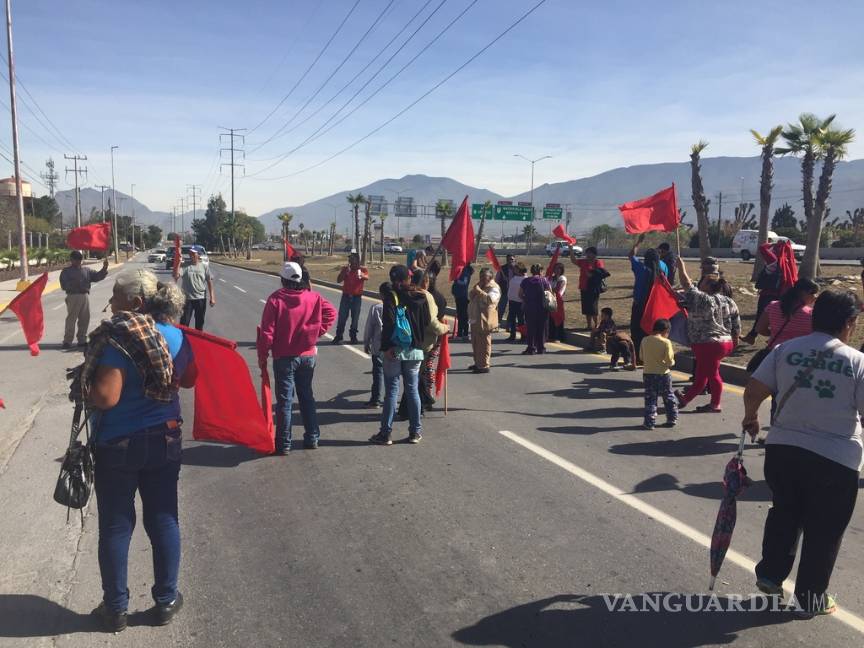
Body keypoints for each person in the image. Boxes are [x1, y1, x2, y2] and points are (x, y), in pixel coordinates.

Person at [84, 270, 196, 632]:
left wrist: (84, 389)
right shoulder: (176, 336)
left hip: (119, 445)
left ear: (136, 302)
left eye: (116, 295)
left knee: (117, 526)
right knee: (163, 518)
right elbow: (191, 378)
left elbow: (106, 397)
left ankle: (115, 609)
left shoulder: (117, 339)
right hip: (165, 439)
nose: (111, 301)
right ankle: (166, 601)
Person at [742, 289, 863, 618]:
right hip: (835, 458)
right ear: (850, 323)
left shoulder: (784, 350)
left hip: (782, 451)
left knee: (785, 511)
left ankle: (770, 574)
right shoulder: (856, 362)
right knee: (824, 530)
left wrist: (750, 417)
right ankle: (811, 597)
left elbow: (754, 389)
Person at [258, 262, 336, 454]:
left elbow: (267, 333)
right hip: (307, 356)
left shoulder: (275, 300)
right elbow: (331, 313)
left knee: (285, 401)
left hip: (284, 357)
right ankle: (312, 437)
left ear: (282, 279)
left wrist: (262, 356)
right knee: (306, 396)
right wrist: (316, 332)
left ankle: (284, 443)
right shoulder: (313, 297)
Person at [370, 264, 430, 445]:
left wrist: (386, 347)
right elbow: (426, 322)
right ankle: (415, 432)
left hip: (394, 350)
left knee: (391, 393)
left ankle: (385, 434)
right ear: (408, 278)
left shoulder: (391, 297)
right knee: (412, 390)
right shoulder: (421, 297)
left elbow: (387, 325)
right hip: (415, 351)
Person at [674, 257, 741, 413]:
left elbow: (686, 284)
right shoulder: (728, 300)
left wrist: (681, 267)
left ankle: (715, 404)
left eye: (702, 283)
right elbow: (736, 323)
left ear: (707, 286)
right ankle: (685, 399)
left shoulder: (702, 298)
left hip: (707, 344)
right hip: (725, 342)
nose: (699, 284)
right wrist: (735, 341)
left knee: (712, 374)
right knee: (702, 374)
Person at [742, 240, 797, 344]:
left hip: (768, 294)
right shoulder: (789, 262)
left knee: (762, 316)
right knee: (777, 318)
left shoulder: (774, 261)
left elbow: (762, 248)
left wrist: (772, 244)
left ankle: (758, 336)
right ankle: (753, 336)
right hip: (782, 294)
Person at [628, 234, 669, 361]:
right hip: (655, 306)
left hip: (639, 304)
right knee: (651, 332)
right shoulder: (663, 268)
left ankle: (638, 358)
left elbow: (631, 256)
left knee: (636, 332)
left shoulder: (641, 268)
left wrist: (638, 242)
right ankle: (650, 357)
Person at [59, 250, 109, 349]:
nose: (78, 262)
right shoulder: (66, 272)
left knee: (84, 319)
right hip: (73, 296)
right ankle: (67, 341)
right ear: (71, 260)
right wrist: (76, 284)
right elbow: (64, 285)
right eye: (76, 259)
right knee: (71, 319)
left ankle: (82, 340)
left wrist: (104, 268)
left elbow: (97, 276)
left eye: (80, 259)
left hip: (84, 296)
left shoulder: (86, 270)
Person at [640, 318, 678, 429]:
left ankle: (649, 422)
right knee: (668, 396)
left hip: (648, 373)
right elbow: (669, 361)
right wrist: (672, 362)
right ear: (665, 330)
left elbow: (641, 357)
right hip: (663, 373)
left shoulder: (644, 340)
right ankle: (671, 418)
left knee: (650, 398)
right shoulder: (666, 342)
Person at [468, 268, 501, 374]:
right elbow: (471, 297)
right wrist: (474, 291)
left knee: (484, 342)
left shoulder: (494, 287)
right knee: (476, 342)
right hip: (476, 317)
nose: (482, 278)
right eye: (481, 275)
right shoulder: (481, 285)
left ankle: (484, 365)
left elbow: (491, 300)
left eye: (484, 276)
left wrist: (480, 292)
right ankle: (478, 362)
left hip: (485, 318)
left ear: (490, 277)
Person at [175, 249, 215, 331]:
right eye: (190, 254)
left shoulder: (204, 267)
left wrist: (212, 297)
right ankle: (183, 340)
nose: (191, 255)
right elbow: (176, 275)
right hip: (187, 299)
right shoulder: (185, 266)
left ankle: (197, 341)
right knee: (184, 323)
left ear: (198, 255)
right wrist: (178, 262)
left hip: (200, 298)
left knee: (199, 323)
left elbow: (209, 282)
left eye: (193, 254)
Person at [362, 283, 388, 408]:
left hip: (378, 345)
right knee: (392, 375)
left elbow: (369, 328)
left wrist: (366, 342)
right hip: (393, 346)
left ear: (381, 294)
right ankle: (389, 398)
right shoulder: (399, 307)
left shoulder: (377, 308)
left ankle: (375, 399)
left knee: (378, 372)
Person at [333, 253, 368, 344]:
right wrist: (345, 273)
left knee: (355, 318)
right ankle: (339, 336)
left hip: (357, 297)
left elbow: (366, 277)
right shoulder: (345, 269)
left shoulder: (362, 269)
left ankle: (353, 336)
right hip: (346, 296)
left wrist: (361, 275)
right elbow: (338, 280)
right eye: (349, 259)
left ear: (357, 260)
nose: (350, 261)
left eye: (352, 259)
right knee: (342, 317)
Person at [570, 245, 605, 331]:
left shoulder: (598, 262)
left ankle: (596, 325)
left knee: (593, 307)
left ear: (594, 254)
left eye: (589, 253)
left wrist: (591, 274)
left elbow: (600, 273)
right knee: (586, 308)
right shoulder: (583, 262)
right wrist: (571, 249)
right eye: (587, 253)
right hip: (584, 287)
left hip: (593, 288)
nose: (587, 255)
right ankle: (589, 325)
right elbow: (573, 261)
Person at [519, 263, 552, 355]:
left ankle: (531, 348)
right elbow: (550, 293)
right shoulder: (544, 281)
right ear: (541, 271)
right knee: (542, 328)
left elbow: (520, 294)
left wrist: (526, 299)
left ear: (531, 271)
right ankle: (541, 347)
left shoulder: (526, 281)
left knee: (531, 328)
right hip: (542, 308)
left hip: (529, 308)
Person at [451, 263, 474, 340]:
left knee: (462, 316)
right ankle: (462, 333)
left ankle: (462, 333)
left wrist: (456, 278)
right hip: (459, 295)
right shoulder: (463, 270)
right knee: (461, 315)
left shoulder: (465, 271)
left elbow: (464, 282)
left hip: (462, 296)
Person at [507, 263, 527, 341]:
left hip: (520, 302)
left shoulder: (525, 279)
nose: (514, 270)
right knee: (512, 319)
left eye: (516, 269)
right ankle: (512, 335)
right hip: (512, 301)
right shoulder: (514, 277)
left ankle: (523, 335)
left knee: (521, 319)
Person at [548, 262, 568, 342]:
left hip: (558, 300)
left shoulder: (562, 278)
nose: (557, 270)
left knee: (559, 318)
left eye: (559, 268)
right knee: (551, 318)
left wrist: (549, 289)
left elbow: (557, 289)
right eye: (555, 268)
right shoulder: (551, 278)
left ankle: (559, 337)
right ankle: (551, 335)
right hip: (551, 299)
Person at [495, 254, 518, 322]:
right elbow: (497, 280)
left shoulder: (517, 269)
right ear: (506, 260)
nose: (510, 261)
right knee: (501, 307)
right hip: (504, 291)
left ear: (515, 260)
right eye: (509, 259)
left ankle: (509, 323)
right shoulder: (502, 269)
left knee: (513, 309)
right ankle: (498, 321)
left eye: (512, 259)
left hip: (514, 293)